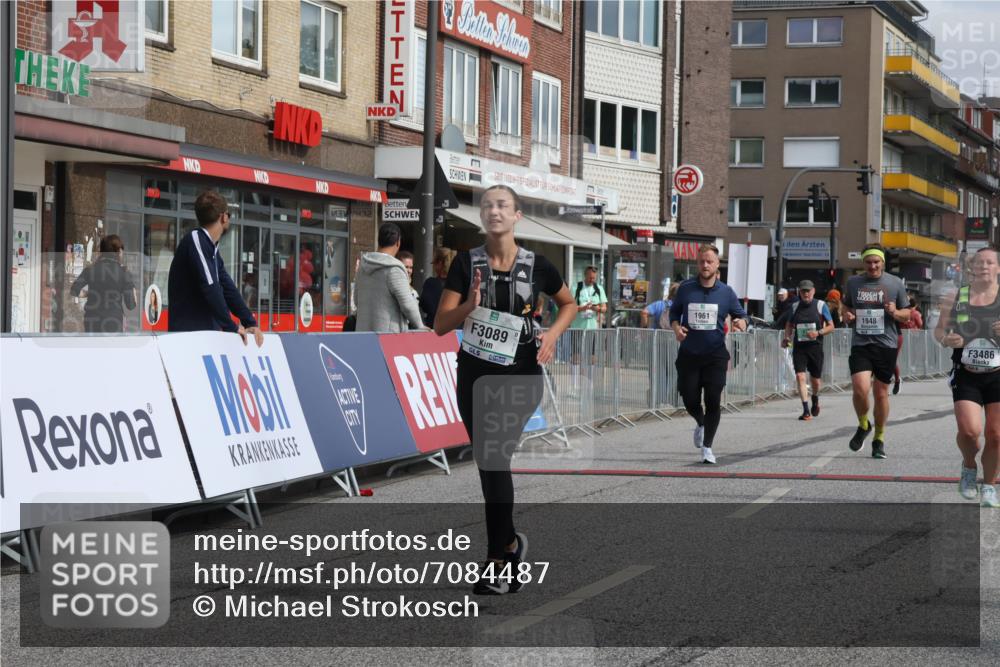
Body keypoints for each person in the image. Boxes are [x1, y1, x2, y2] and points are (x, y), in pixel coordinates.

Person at [434, 185, 576, 594]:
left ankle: (497, 560)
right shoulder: (466, 264)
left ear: (517, 216)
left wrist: (552, 335)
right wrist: (469, 305)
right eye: (487, 205)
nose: (494, 211)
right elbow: (441, 325)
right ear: (482, 216)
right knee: (489, 463)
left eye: (503, 205)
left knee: (494, 456)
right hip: (474, 377)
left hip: (520, 375)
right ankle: (511, 543)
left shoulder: (539, 266)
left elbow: (568, 304)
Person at [669, 244, 748, 464]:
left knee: (713, 399)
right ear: (698, 263)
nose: (705, 265)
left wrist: (743, 321)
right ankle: (701, 422)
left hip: (715, 355)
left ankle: (707, 448)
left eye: (709, 261)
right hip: (689, 354)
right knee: (689, 398)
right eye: (702, 261)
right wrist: (676, 328)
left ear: (716, 264)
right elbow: (674, 314)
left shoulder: (726, 292)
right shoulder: (686, 288)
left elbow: (742, 315)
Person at [935, 246, 1000, 508]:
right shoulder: (955, 297)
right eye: (978, 262)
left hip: (998, 374)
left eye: (989, 262)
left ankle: (990, 485)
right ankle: (969, 466)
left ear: (998, 268)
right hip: (967, 374)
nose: (983, 266)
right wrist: (946, 339)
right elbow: (939, 332)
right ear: (971, 267)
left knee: (996, 435)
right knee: (970, 432)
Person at [167, 191, 263, 346]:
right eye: (229, 215)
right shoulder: (196, 240)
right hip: (188, 337)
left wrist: (249, 322)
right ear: (223, 217)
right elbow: (211, 288)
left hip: (204, 335)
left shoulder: (211, 249)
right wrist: (231, 326)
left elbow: (227, 288)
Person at [842, 244, 910, 459]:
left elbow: (907, 315)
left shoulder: (895, 283)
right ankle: (864, 425)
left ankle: (879, 438)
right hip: (861, 343)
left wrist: (895, 312)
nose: (873, 266)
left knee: (880, 394)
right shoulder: (853, 283)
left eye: (876, 262)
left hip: (886, 344)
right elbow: (845, 308)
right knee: (860, 388)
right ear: (864, 263)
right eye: (869, 262)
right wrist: (847, 316)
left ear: (882, 262)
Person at [355, 223, 425, 333]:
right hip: (389, 337)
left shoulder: (363, 266)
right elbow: (407, 305)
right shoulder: (394, 269)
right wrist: (420, 326)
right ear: (398, 242)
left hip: (364, 334)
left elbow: (356, 300)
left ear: (379, 240)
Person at [782, 280, 835, 420]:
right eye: (803, 291)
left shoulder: (820, 305)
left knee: (815, 380)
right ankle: (805, 410)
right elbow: (789, 325)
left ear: (813, 291)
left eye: (808, 291)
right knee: (800, 376)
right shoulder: (794, 307)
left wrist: (818, 333)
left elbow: (831, 326)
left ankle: (815, 398)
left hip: (815, 347)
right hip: (799, 348)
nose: (806, 293)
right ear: (799, 292)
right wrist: (787, 337)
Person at [70, 234, 137, 332]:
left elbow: (74, 290)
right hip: (113, 322)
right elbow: (130, 305)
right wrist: (134, 291)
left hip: (92, 320)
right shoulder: (124, 272)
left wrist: (87, 294)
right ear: (119, 251)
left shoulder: (90, 269)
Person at [570, 266, 608, 389]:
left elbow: (604, 308)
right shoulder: (577, 287)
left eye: (594, 278)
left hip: (592, 327)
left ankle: (590, 384)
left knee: (592, 357)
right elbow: (570, 307)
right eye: (590, 277)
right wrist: (583, 307)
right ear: (585, 276)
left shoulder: (599, 288)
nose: (592, 280)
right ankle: (574, 385)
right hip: (577, 327)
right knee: (576, 356)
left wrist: (596, 308)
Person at [893, 296, 925, 394]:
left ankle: (899, 377)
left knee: (895, 358)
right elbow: (920, 324)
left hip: (903, 336)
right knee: (905, 354)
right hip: (901, 335)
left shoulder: (913, 313)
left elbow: (919, 324)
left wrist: (904, 319)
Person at [419, 247, 453, 327]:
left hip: (435, 327)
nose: (433, 266)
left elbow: (425, 306)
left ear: (440, 263)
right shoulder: (458, 283)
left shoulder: (431, 283)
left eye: (434, 263)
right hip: (455, 329)